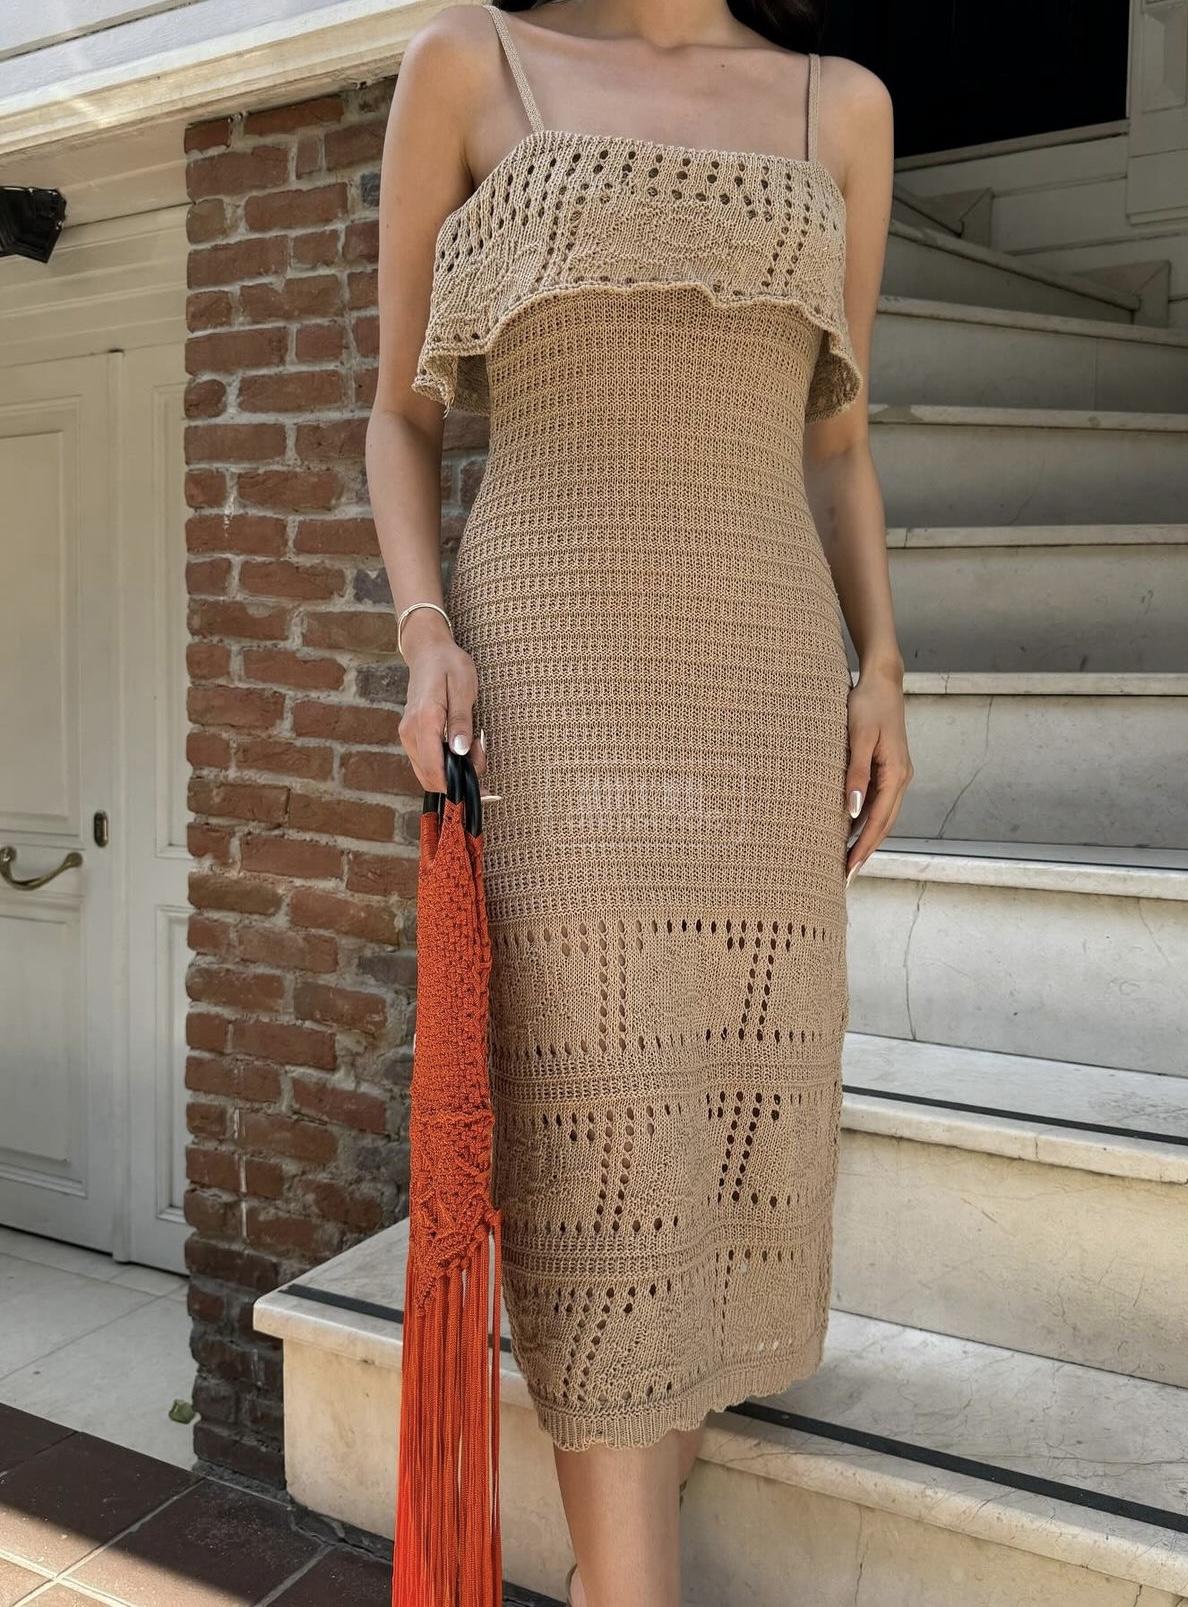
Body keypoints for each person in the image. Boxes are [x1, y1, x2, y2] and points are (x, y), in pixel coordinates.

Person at [366, 3, 911, 1602]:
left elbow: (836, 439)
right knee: (593, 1141)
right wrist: (422, 634)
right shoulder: (470, 64)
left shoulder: (841, 108)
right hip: (556, 687)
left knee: (726, 1116)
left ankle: (661, 1457)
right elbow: (401, 412)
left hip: (762, 689)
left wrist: (882, 664)